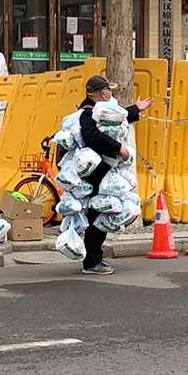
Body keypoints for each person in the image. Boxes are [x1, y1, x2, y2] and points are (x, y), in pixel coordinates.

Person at [77, 75, 152, 275]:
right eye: (109, 90)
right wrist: (118, 147)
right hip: (96, 173)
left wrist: (135, 109)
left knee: (101, 212)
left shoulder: (99, 110)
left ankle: (94, 258)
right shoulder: (87, 113)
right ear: (102, 94)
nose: (111, 93)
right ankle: (92, 261)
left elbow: (114, 120)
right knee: (98, 212)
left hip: (102, 170)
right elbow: (92, 136)